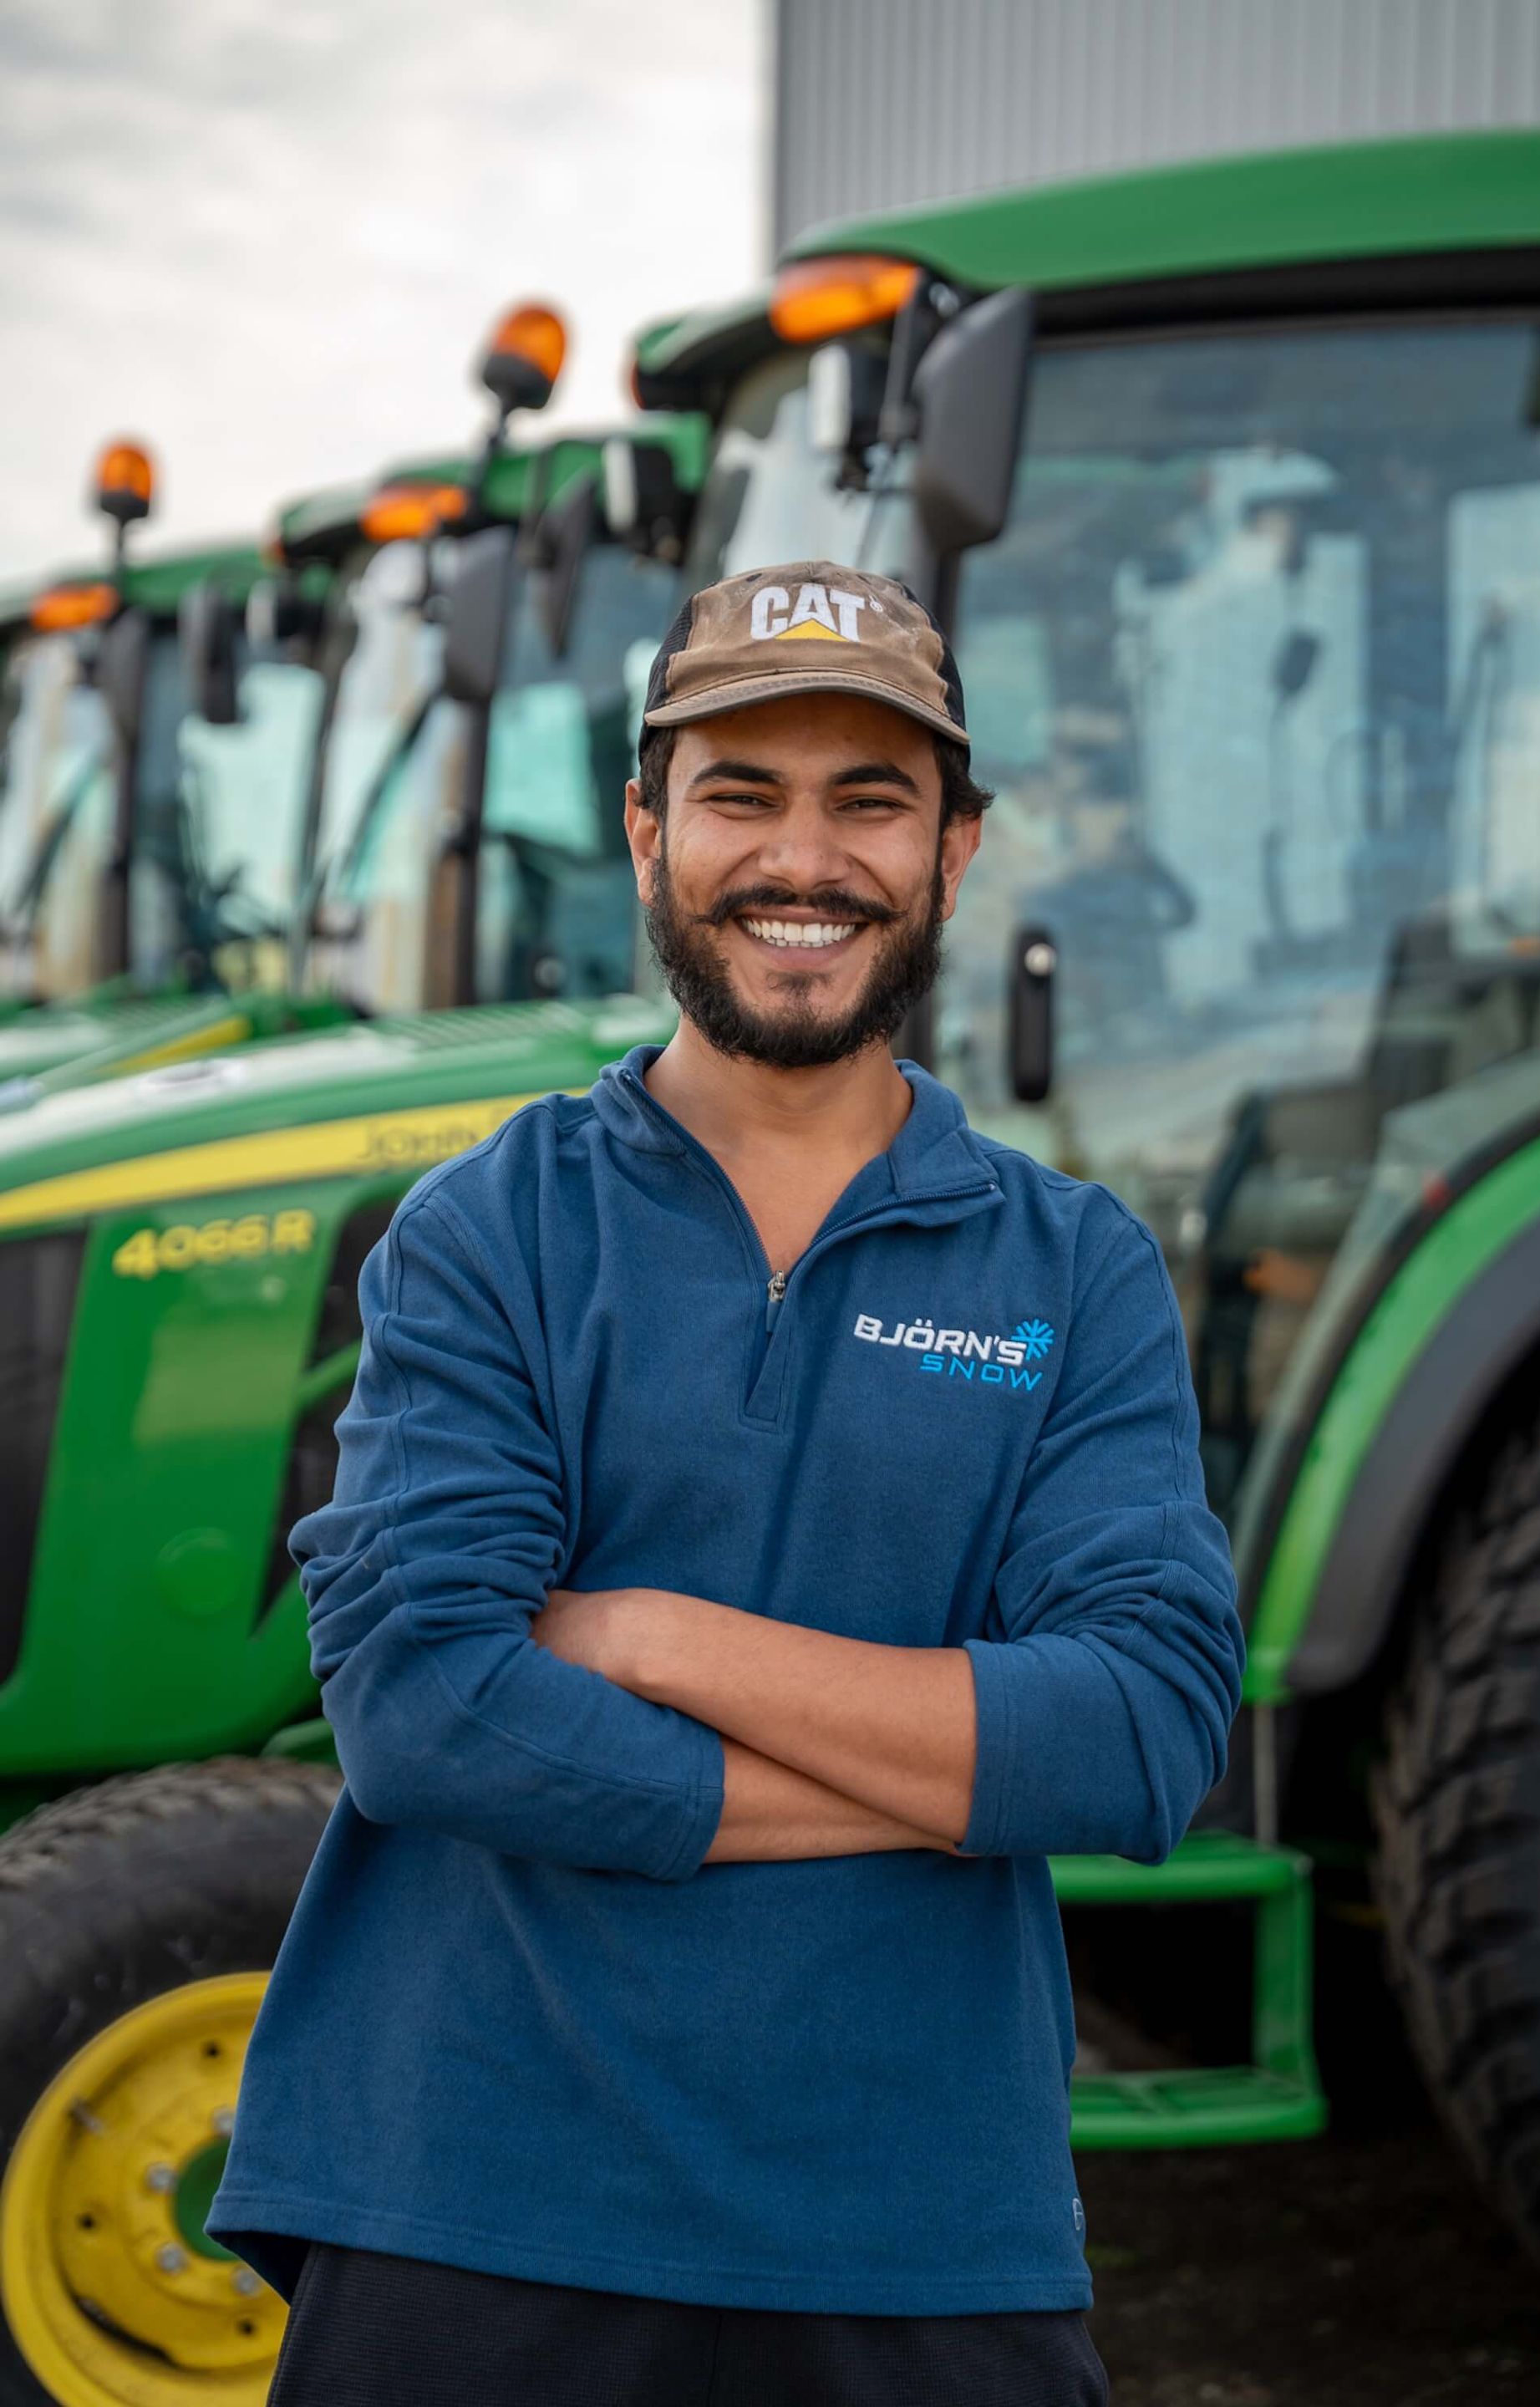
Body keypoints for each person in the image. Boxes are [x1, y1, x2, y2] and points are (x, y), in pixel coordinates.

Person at [209, 560, 1243, 2407]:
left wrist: (658, 1639)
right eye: (740, 793)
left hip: (918, 2236)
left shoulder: (1073, 1270)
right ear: (644, 829)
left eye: (871, 799)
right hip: (474, 2202)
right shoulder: (487, 1235)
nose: (804, 858)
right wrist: (943, 1776)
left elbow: (1146, 1736)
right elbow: (430, 1714)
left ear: (956, 848)